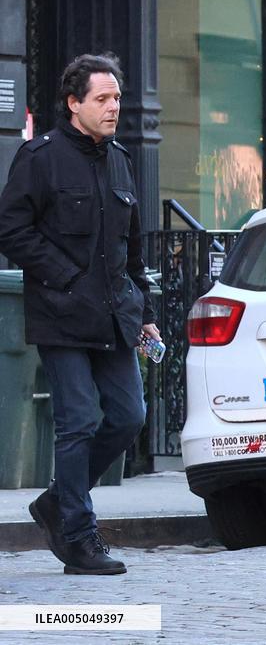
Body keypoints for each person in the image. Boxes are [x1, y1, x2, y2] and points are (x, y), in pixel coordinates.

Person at [0, 53, 159, 575]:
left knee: (129, 416)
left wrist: (145, 312)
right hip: (62, 315)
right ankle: (78, 535)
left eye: (118, 98)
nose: (114, 107)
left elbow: (132, 249)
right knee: (78, 422)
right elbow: (11, 229)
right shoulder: (39, 157)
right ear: (74, 103)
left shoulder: (121, 160)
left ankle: (56, 501)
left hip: (116, 316)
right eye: (103, 98)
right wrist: (64, 277)